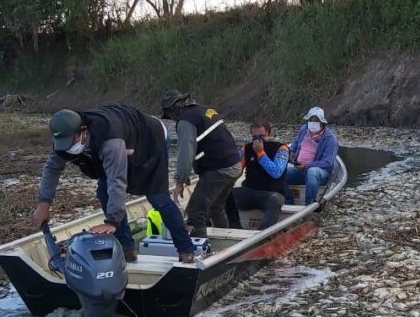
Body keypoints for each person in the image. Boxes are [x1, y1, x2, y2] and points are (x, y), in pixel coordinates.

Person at [31, 105, 196, 263]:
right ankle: (127, 249)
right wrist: (44, 202)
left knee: (157, 197)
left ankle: (186, 249)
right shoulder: (64, 138)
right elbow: (52, 167)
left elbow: (117, 180)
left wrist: (112, 222)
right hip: (119, 139)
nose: (67, 147)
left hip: (149, 137)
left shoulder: (109, 139)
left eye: (70, 141)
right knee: (103, 193)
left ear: (83, 130)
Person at [161, 90, 241, 238]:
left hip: (219, 169)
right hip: (234, 165)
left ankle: (200, 253)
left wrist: (180, 180)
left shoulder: (186, 120)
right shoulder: (205, 110)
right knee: (216, 207)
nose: (172, 119)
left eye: (170, 115)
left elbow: (186, 152)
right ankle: (224, 243)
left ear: (174, 108)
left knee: (195, 212)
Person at [232, 122, 289, 230]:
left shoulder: (281, 148)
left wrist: (260, 153)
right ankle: (233, 228)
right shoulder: (247, 148)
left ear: (268, 134)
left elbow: (276, 172)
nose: (258, 140)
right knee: (225, 196)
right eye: (255, 137)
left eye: (261, 136)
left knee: (275, 200)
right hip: (249, 190)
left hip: (271, 193)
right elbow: (237, 171)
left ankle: (262, 234)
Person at [285, 106, 338, 205]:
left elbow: (328, 163)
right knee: (280, 173)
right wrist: (292, 151)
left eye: (316, 120)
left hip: (320, 173)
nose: (313, 122)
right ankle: (288, 202)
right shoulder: (304, 129)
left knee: (312, 172)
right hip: (299, 169)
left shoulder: (331, 139)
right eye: (311, 120)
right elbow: (296, 142)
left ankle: (309, 205)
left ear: (322, 122)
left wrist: (307, 166)